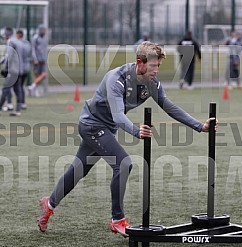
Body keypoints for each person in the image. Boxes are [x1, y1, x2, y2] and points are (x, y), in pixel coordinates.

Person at [38, 42, 217, 236]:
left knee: (79, 169)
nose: (156, 70)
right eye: (153, 66)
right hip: (92, 125)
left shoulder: (152, 83)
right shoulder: (117, 79)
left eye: (158, 66)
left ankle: (50, 203)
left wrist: (200, 126)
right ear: (140, 63)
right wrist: (135, 130)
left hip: (107, 129)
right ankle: (117, 219)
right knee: (123, 163)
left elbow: (169, 106)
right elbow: (118, 115)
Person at [0, 27, 24, 116]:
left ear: (7, 35)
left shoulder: (11, 42)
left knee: (5, 89)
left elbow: (9, 57)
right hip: (19, 70)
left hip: (13, 70)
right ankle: (17, 110)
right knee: (18, 90)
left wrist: (5, 68)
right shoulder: (19, 42)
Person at [28, 24, 48, 97]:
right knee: (36, 75)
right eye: (42, 30)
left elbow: (45, 49)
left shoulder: (45, 38)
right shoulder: (35, 38)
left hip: (43, 60)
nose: (44, 31)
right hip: (37, 60)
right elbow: (33, 49)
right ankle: (35, 91)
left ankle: (32, 87)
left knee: (43, 75)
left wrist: (46, 59)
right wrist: (35, 59)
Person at [16, 29, 32, 110]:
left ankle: (19, 103)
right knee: (21, 85)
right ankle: (23, 102)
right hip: (27, 66)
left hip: (20, 67)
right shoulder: (27, 43)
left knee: (18, 86)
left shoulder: (18, 44)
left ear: (18, 35)